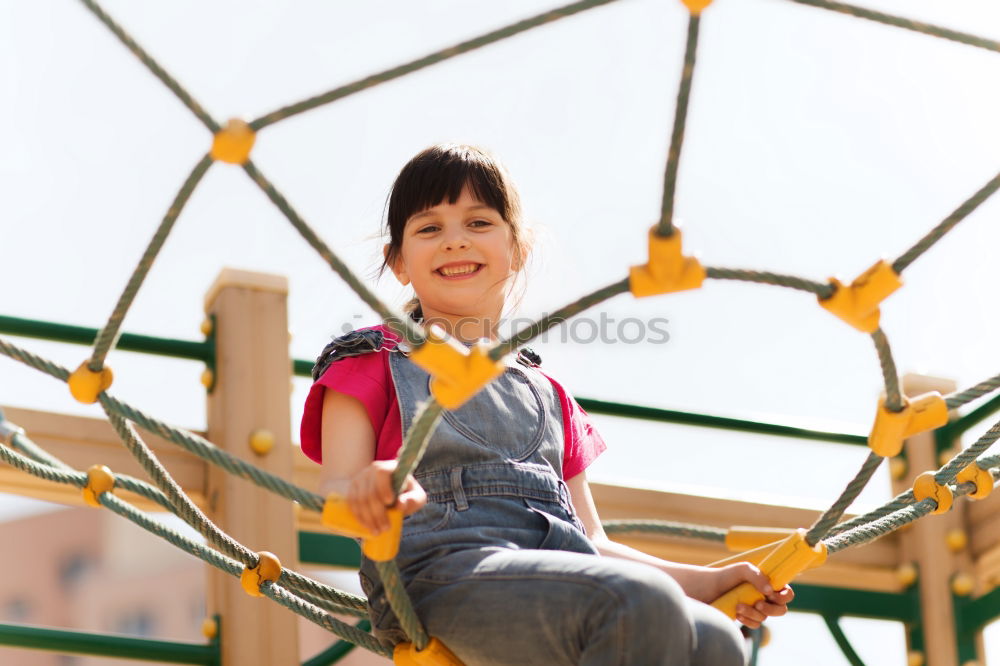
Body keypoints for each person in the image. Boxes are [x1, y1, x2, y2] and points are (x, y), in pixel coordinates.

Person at [300, 143, 793, 665]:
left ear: (516, 251)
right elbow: (336, 487)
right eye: (429, 229)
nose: (455, 241)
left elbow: (590, 540)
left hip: (562, 573)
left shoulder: (545, 390)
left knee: (715, 637)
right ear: (398, 263)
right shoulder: (373, 356)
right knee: (633, 601)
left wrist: (708, 580)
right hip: (441, 571)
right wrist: (369, 490)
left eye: (478, 222)